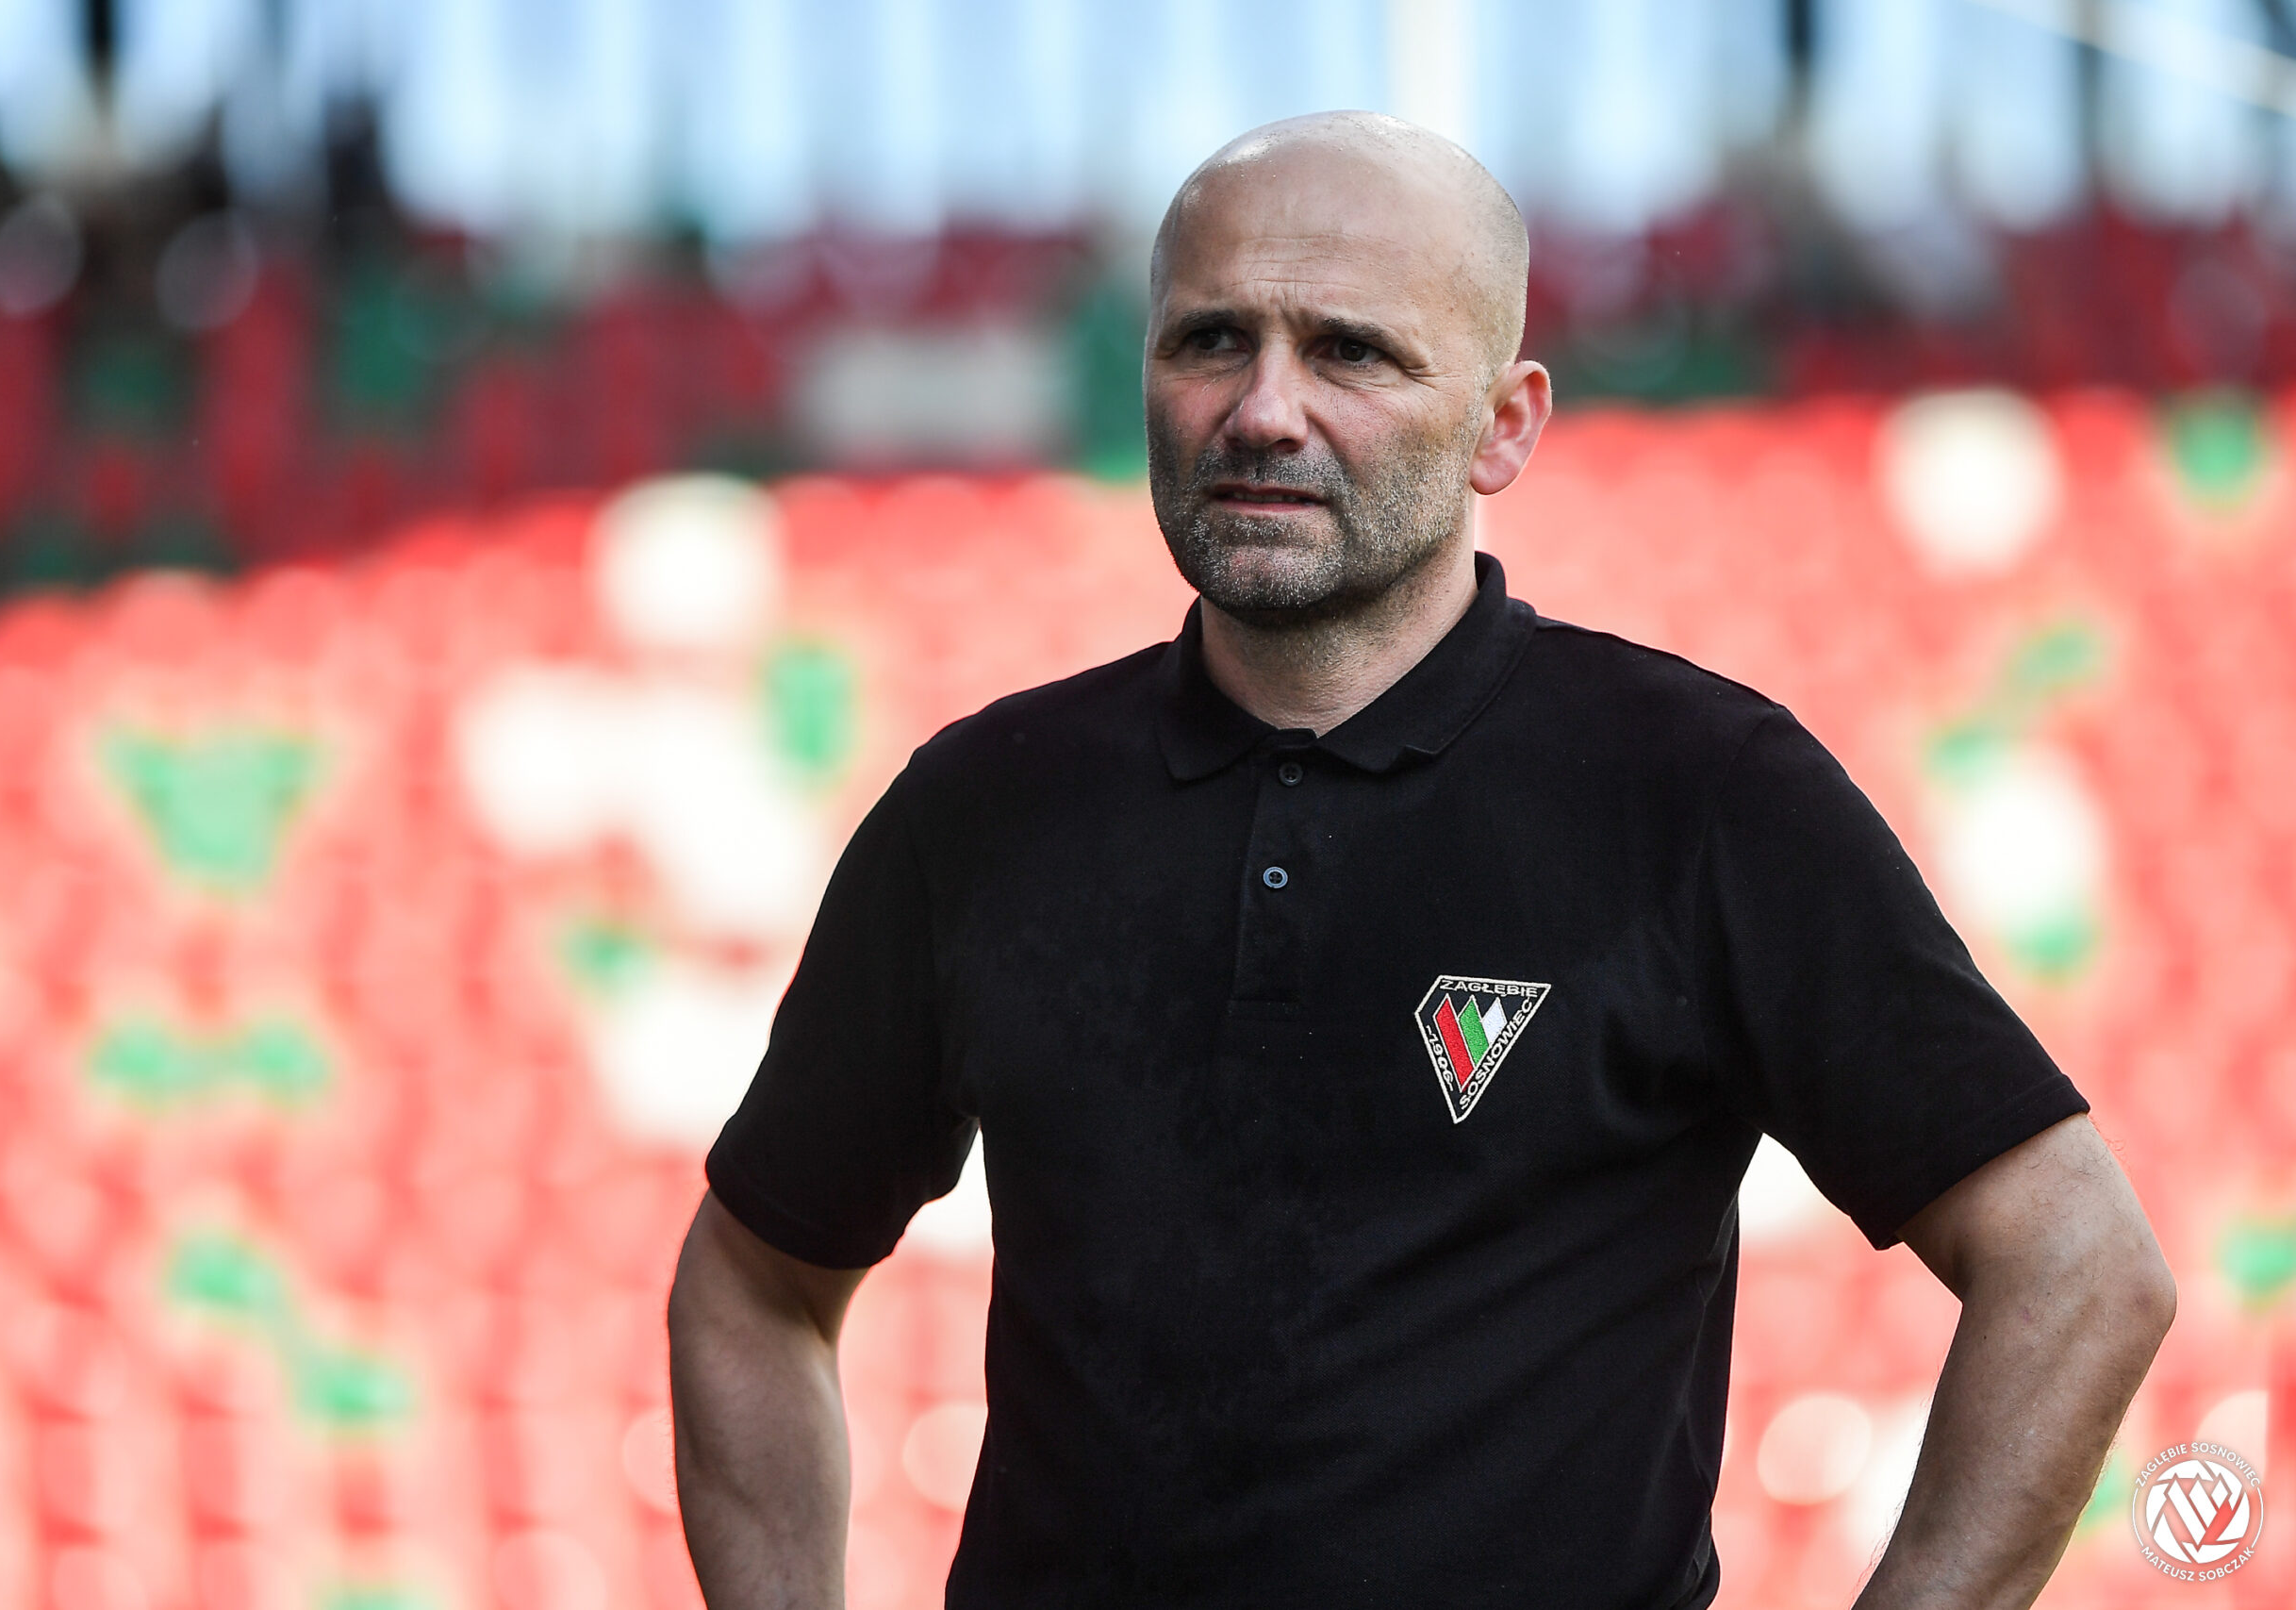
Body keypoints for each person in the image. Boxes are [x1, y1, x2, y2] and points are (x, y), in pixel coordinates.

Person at [669, 111, 2174, 1608]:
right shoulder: (981, 807)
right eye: (1211, 340)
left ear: (1504, 426)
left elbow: (2079, 1262)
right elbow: (753, 1284)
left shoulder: (1703, 791)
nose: (1264, 409)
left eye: (1352, 352)